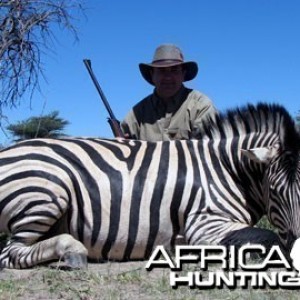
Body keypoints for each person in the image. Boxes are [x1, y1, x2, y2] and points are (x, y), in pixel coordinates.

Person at [122, 44, 217, 141]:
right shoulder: (137, 113)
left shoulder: (201, 106)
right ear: (152, 74)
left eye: (174, 70)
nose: (168, 77)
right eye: (161, 70)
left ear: (183, 74)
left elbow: (207, 149)